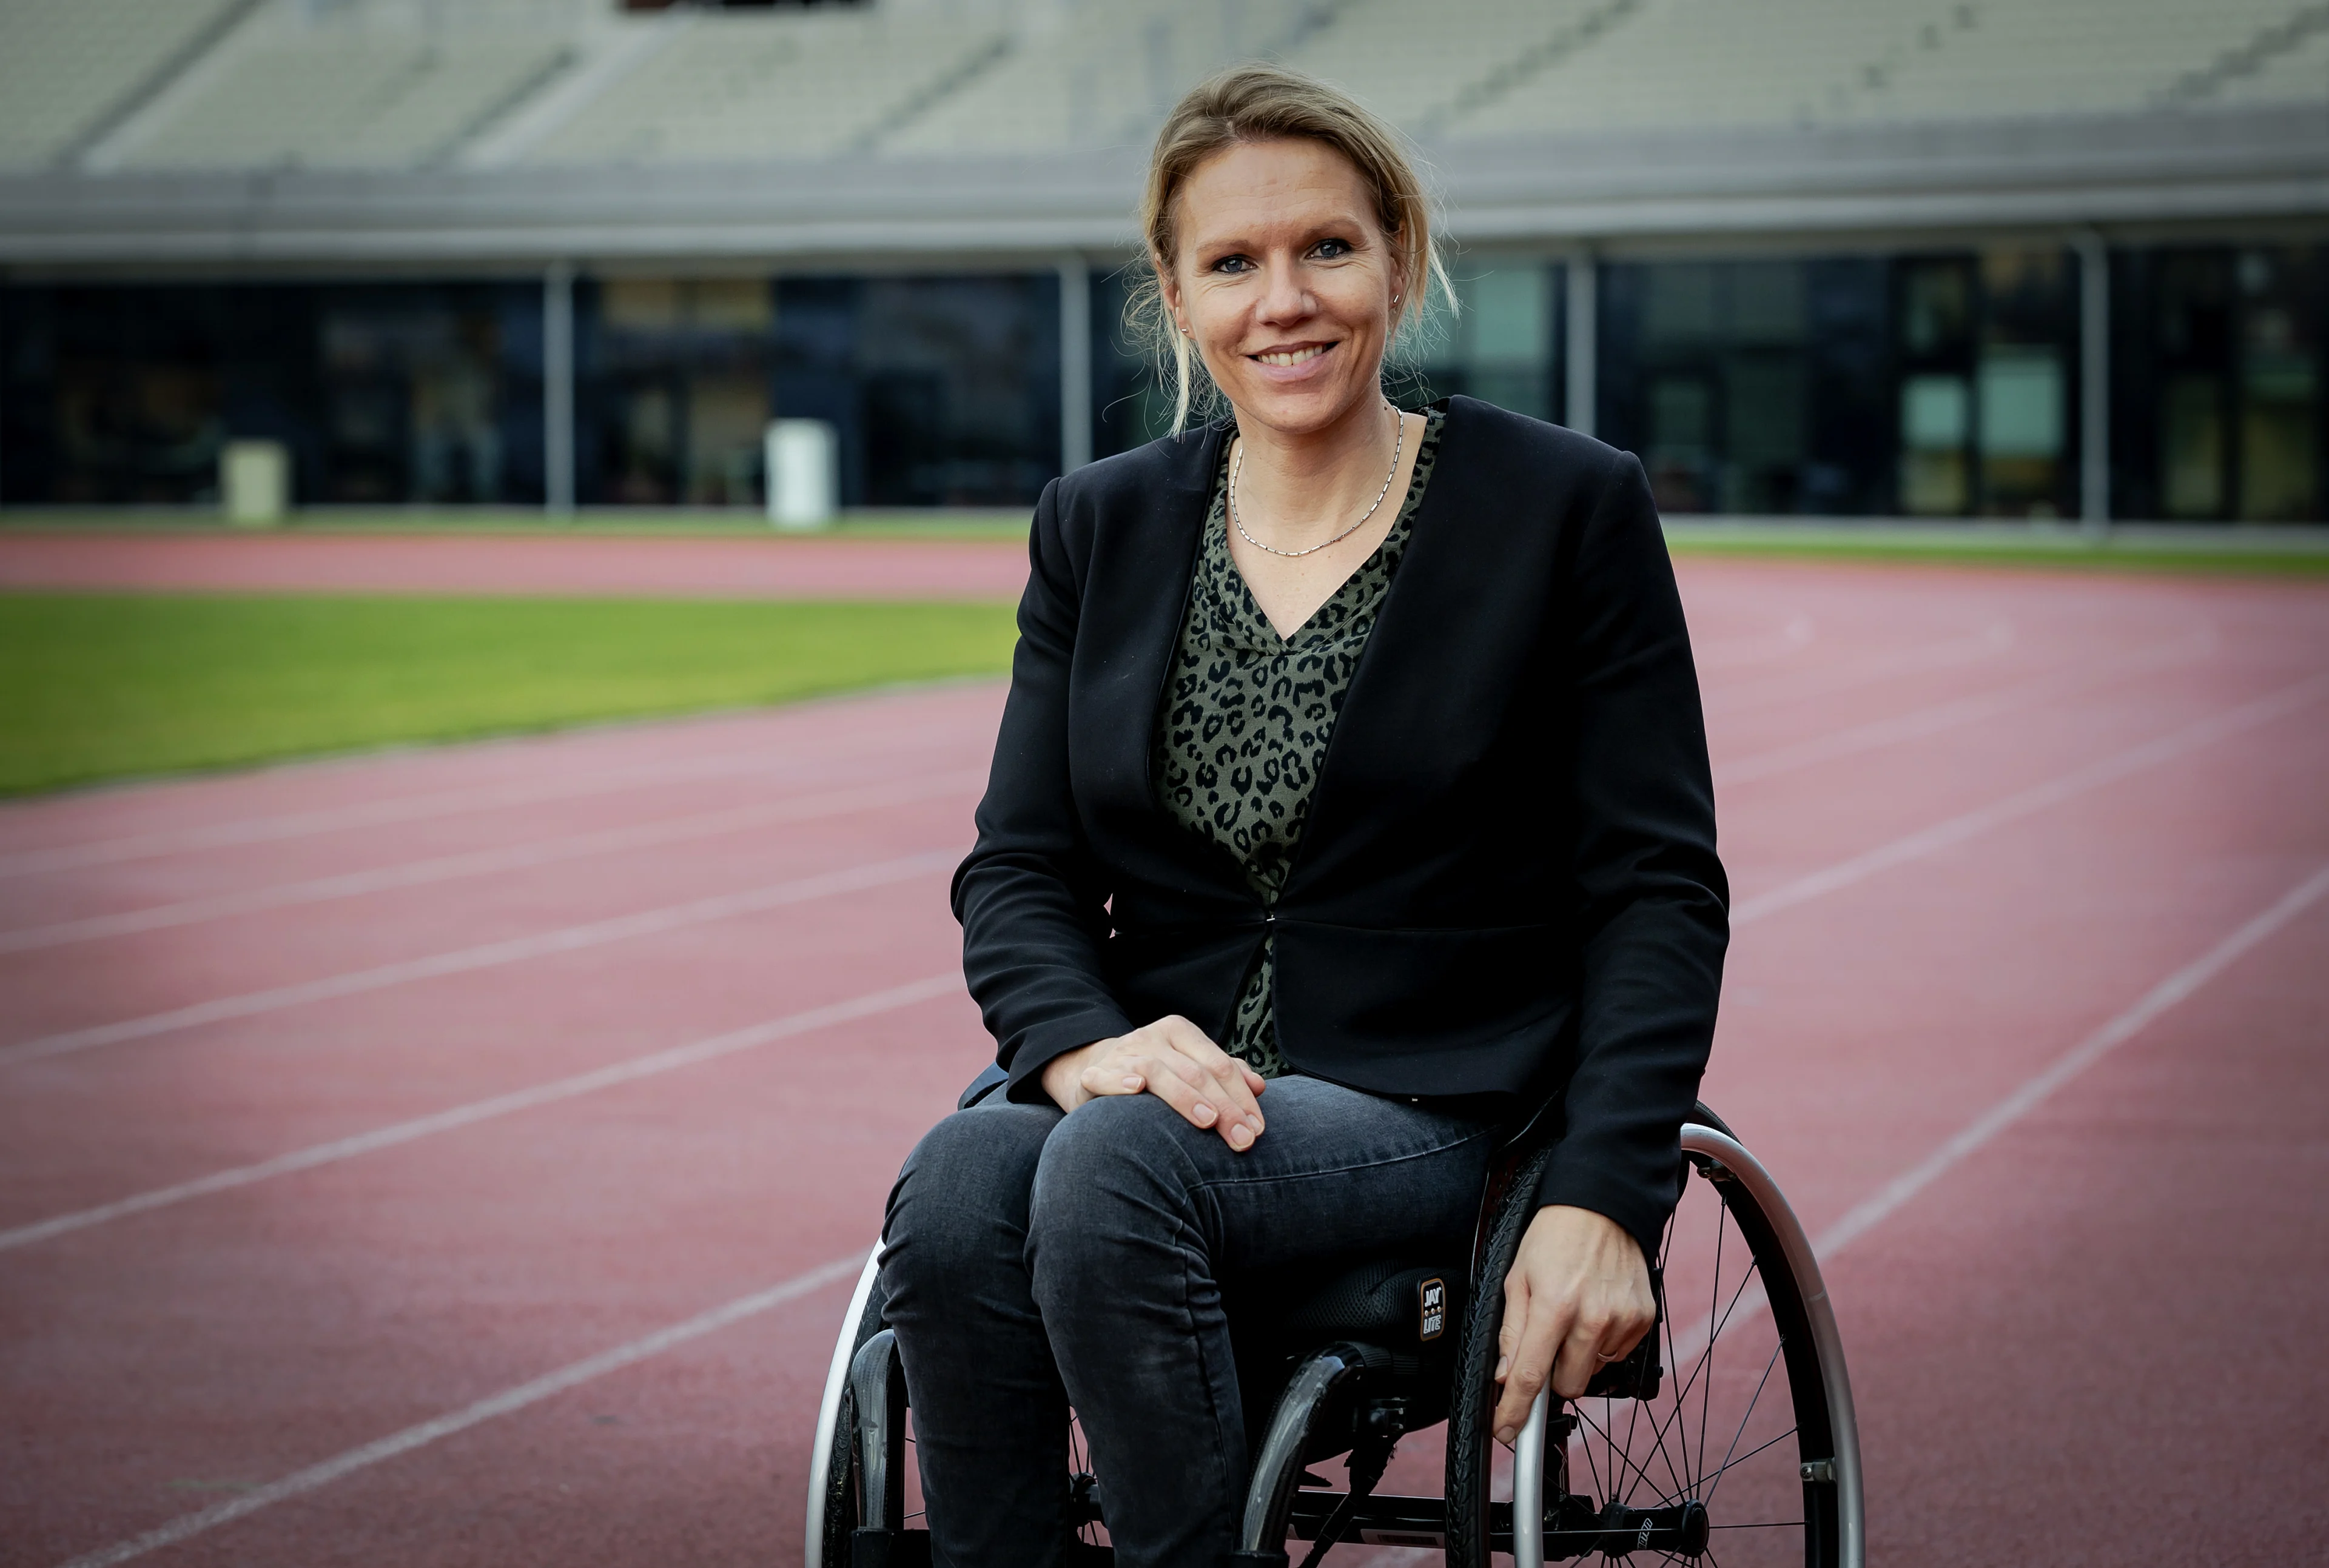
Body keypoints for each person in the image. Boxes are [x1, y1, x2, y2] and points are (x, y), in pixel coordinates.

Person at [877, 62, 1727, 1568]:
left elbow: (1658, 887)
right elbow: (1017, 869)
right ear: (1176, 293)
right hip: (1166, 1081)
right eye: (1233, 263)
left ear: (1398, 255)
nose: (1286, 300)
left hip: (1443, 1099)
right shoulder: (1102, 521)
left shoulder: (1562, 507)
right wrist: (1082, 1042)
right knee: (956, 1182)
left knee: (1113, 1165)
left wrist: (1610, 1187)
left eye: (1326, 248)